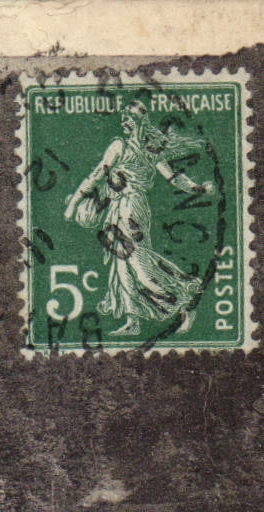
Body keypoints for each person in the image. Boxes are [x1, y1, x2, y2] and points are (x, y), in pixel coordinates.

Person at [62, 99, 212, 337]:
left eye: (128, 120)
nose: (123, 123)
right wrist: (75, 203)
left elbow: (173, 177)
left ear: (140, 123)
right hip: (118, 208)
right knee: (121, 268)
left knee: (140, 266)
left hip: (133, 209)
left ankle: (185, 300)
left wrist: (197, 189)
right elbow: (97, 175)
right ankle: (133, 321)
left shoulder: (144, 150)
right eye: (123, 119)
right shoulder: (121, 146)